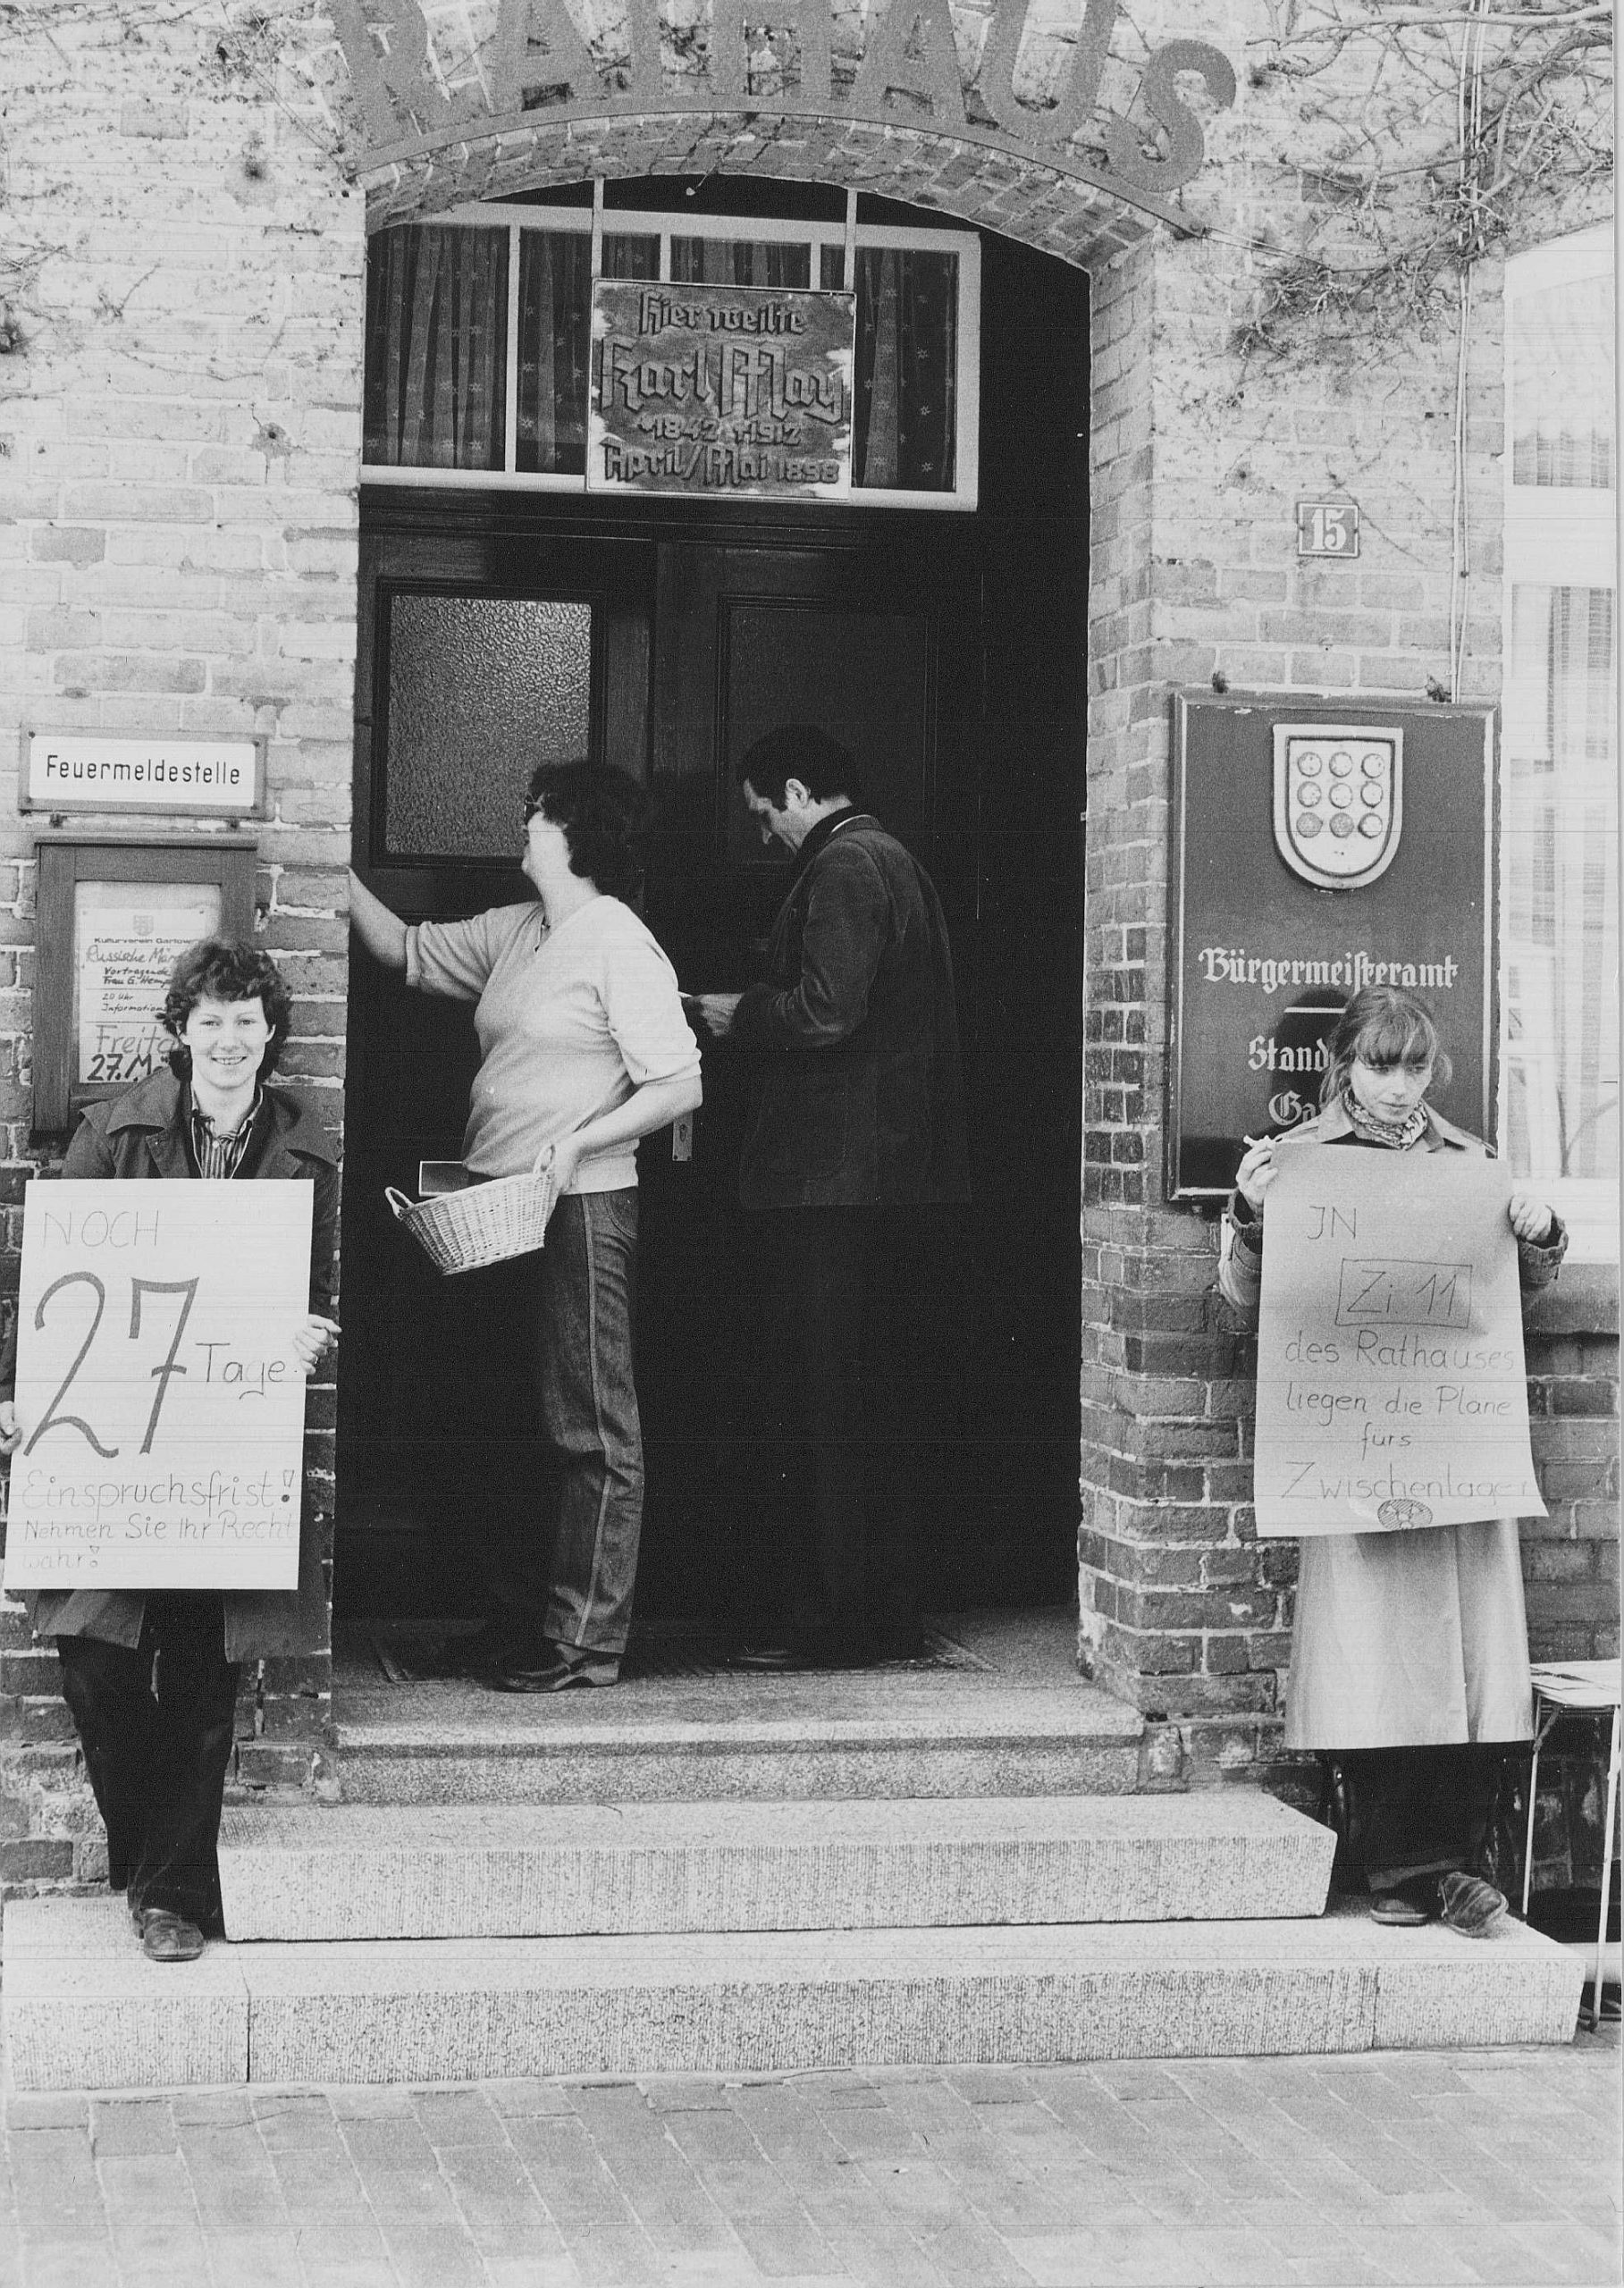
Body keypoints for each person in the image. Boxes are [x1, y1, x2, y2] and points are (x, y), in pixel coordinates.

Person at [0, 939, 339, 1962]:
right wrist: (26, 1395)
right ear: (182, 1032)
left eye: (247, 1020)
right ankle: (162, 1858)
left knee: (201, 1665)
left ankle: (169, 1896)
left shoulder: (303, 1152)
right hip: (116, 1442)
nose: (229, 1039)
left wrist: (305, 1333)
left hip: (224, 1445)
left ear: (270, 1031)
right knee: (96, 1655)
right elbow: (61, 1282)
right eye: (211, 1021)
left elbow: (310, 1291)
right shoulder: (114, 1134)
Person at [1219, 983, 1565, 1936]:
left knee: (1454, 1660)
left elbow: (1505, 1300)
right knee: (1373, 1662)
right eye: (1377, 1063)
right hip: (1351, 1447)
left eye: (1412, 1064)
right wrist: (1248, 1219)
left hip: (1446, 1445)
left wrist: (1537, 1236)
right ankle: (1405, 1867)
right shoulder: (1293, 1165)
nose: (1396, 1083)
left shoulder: (1469, 1165)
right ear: (1341, 1066)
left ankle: (1445, 1866)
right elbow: (1238, 1304)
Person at [348, 761, 701, 1693]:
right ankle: (516, 1620)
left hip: (582, 1206)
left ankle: (585, 1642)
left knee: (589, 1425)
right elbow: (399, 949)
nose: (525, 820)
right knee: (509, 1424)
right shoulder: (519, 930)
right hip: (497, 1209)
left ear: (576, 832)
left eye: (537, 811)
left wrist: (579, 1142)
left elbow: (678, 1081)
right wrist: (320, 858)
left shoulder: (616, 939)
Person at [691, 725, 969, 1669]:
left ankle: (833, 1620)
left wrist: (739, 1014)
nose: (765, 833)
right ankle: (876, 1611)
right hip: (882, 1183)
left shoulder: (845, 866)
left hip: (829, 1187)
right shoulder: (894, 862)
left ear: (799, 789)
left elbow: (823, 1009)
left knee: (821, 1404)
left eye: (765, 812)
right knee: (862, 1400)